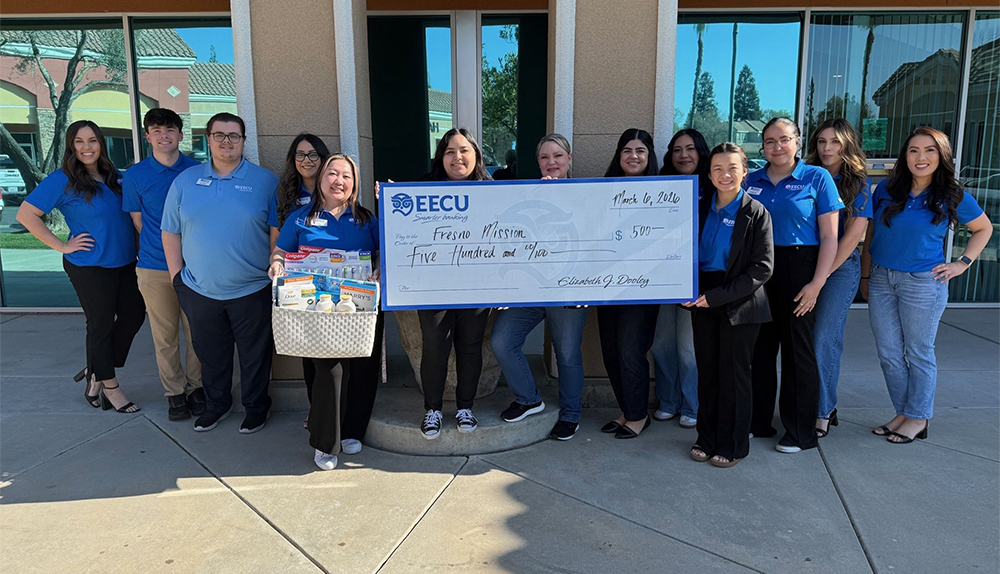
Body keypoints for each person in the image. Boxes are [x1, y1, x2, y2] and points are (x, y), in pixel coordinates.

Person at [864, 127, 991, 444]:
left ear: (942, 155)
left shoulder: (952, 194)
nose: (921, 157)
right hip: (881, 278)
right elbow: (869, 236)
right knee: (889, 353)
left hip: (923, 283)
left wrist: (962, 263)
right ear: (904, 155)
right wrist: (866, 275)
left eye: (930, 150)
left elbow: (983, 229)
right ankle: (904, 412)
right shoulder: (886, 190)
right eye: (914, 150)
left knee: (918, 352)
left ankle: (918, 417)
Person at [161, 112, 279, 434]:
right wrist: (177, 279)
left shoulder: (265, 181)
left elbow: (277, 232)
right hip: (199, 290)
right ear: (208, 138)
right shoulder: (184, 182)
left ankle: (256, 408)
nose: (226, 141)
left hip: (252, 289)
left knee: (255, 357)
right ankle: (217, 406)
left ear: (243, 140)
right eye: (219, 135)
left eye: (234, 136)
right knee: (211, 356)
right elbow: (170, 231)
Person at [16, 120, 145, 413]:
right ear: (71, 146)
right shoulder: (62, 179)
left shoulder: (115, 177)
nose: (87, 147)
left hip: (125, 262)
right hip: (89, 265)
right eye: (79, 142)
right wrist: (62, 245)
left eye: (92, 141)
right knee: (100, 325)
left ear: (101, 143)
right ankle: (109, 386)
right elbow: (26, 214)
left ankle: (95, 370)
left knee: (134, 315)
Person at [269, 153, 383, 470]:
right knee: (327, 372)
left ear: (354, 184)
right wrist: (277, 263)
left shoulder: (366, 219)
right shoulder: (301, 218)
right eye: (332, 174)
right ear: (321, 180)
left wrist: (378, 269)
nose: (339, 181)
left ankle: (352, 431)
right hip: (317, 308)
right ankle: (325, 442)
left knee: (362, 369)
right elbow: (281, 250)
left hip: (360, 306)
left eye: (346, 176)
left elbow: (381, 253)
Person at [747, 117, 843, 454]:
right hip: (760, 267)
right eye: (770, 141)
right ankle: (757, 422)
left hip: (800, 267)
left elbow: (831, 236)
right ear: (763, 146)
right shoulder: (751, 180)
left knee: (797, 351)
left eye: (784, 139)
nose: (777, 147)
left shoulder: (817, 178)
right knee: (759, 349)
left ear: (798, 142)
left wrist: (817, 283)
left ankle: (800, 432)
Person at [492, 133, 588, 441]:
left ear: (569, 159)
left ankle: (571, 414)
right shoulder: (524, 194)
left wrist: (588, 288)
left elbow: (597, 245)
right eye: (545, 157)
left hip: (569, 291)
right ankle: (529, 398)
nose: (551, 162)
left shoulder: (588, 195)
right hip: (530, 290)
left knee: (567, 354)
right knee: (502, 340)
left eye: (558, 156)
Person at [684, 143, 773, 468]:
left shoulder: (756, 212)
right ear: (709, 173)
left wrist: (718, 296)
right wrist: (684, 287)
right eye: (718, 168)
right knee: (707, 372)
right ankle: (706, 438)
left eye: (733, 167)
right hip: (701, 298)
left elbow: (762, 268)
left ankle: (733, 444)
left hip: (740, 303)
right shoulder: (698, 207)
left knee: (734, 376)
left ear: (745, 171)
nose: (725, 174)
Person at [122, 108, 204, 421]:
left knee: (196, 332)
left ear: (181, 134)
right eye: (156, 130)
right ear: (147, 136)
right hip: (154, 267)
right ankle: (175, 393)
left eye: (170, 129)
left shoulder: (197, 171)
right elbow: (139, 222)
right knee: (165, 336)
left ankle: (197, 387)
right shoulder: (135, 175)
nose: (163, 135)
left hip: (196, 267)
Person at [412, 128, 493, 439]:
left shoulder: (492, 189)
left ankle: (465, 408)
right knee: (435, 347)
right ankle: (432, 410)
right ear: (440, 157)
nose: (457, 157)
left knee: (470, 348)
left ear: (475, 156)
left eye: (464, 151)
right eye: (449, 151)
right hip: (432, 285)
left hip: (477, 285)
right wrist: (388, 200)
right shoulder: (421, 189)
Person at [804, 118, 872, 437]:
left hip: (839, 269)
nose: (827, 148)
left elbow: (852, 236)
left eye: (834, 142)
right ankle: (803, 403)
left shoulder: (857, 182)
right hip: (804, 265)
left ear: (846, 144)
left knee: (824, 339)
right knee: (802, 340)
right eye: (821, 142)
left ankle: (824, 409)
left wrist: (821, 276)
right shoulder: (805, 176)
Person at [597, 128, 660, 439]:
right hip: (606, 285)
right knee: (610, 350)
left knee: (630, 350)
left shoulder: (665, 193)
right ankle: (626, 410)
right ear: (618, 156)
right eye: (627, 151)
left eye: (640, 151)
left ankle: (638, 416)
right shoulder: (603, 191)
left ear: (649, 157)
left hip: (643, 287)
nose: (633, 156)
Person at [267, 133, 331, 427]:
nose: (307, 161)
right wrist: (278, 271)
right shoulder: (284, 195)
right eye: (301, 155)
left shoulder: (334, 188)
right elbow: (277, 240)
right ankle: (314, 408)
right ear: (293, 160)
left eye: (314, 155)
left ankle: (335, 408)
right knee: (310, 350)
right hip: (299, 282)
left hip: (335, 280)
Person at [651, 129, 710, 428]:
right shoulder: (661, 185)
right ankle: (668, 400)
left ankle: (691, 404)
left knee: (688, 349)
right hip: (662, 279)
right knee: (661, 345)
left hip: (695, 282)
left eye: (690, 149)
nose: (683, 155)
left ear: (701, 152)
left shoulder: (713, 188)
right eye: (677, 149)